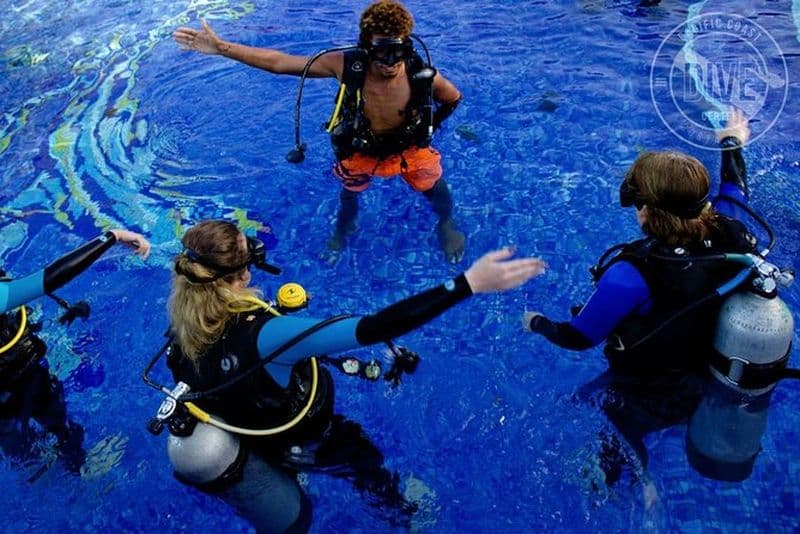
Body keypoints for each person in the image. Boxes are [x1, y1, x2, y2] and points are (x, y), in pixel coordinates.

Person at [162, 219, 545, 532]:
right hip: (312, 439)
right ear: (241, 275)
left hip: (256, 439)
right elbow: (374, 327)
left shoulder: (181, 327)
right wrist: (468, 283)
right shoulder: (269, 336)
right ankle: (404, 515)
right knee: (365, 462)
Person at [522, 109, 759, 481]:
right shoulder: (730, 235)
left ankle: (638, 488)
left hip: (648, 393)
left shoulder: (629, 277)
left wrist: (535, 323)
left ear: (645, 211)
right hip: (708, 380)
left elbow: (576, 337)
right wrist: (731, 141)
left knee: (594, 413)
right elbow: (735, 187)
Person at [173, 0, 467, 263]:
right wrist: (223, 47)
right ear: (366, 46)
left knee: (435, 188)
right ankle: (343, 229)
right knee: (349, 196)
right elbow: (280, 62)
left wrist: (429, 128)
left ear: (408, 46)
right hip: (360, 151)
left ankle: (446, 224)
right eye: (382, 52)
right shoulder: (347, 65)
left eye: (398, 51)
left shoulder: (420, 73)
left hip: (409, 150)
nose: (391, 62)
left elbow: (453, 97)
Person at [1, 228, 150, 476]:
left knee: (20, 449)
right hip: (25, 380)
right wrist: (113, 236)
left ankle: (42, 472)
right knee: (61, 429)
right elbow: (53, 276)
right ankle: (77, 467)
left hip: (12, 394)